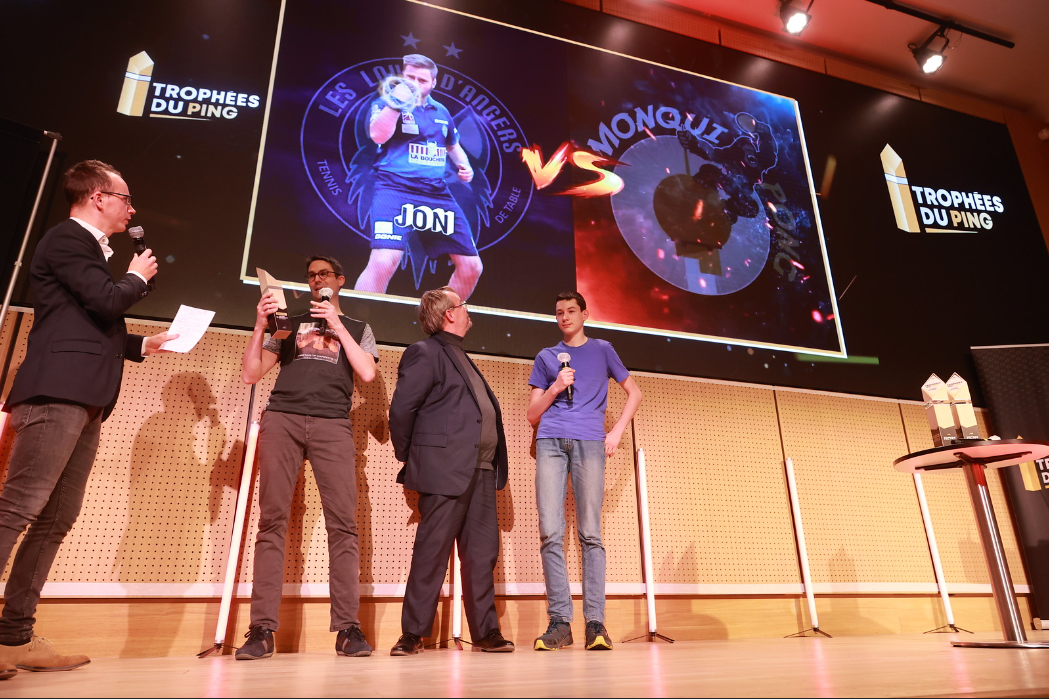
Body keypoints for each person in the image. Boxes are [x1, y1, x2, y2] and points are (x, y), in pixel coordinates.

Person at [0, 160, 173, 677]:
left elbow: (82, 320)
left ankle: (14, 637)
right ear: (98, 197)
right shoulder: (68, 239)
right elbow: (104, 300)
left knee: (57, 516)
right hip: (57, 392)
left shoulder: (88, 248)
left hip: (84, 397)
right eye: (125, 198)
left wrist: (142, 345)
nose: (131, 209)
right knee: (18, 507)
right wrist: (137, 277)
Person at [235, 255, 379, 660]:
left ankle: (347, 628)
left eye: (324, 274)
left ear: (340, 280)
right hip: (283, 418)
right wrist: (260, 325)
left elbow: (367, 374)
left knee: (343, 525)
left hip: (333, 423)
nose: (317, 280)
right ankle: (262, 629)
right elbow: (251, 373)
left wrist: (336, 324)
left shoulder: (358, 328)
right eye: (312, 276)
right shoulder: (289, 322)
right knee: (272, 522)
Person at [387, 286, 513, 654]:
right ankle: (413, 633)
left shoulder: (460, 355)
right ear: (449, 314)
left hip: (482, 470)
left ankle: (486, 632)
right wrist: (413, 457)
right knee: (431, 553)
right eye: (463, 304)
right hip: (444, 470)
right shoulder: (425, 352)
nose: (468, 310)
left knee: (481, 556)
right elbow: (402, 410)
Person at [526, 291, 642, 651]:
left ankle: (595, 623)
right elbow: (532, 414)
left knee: (590, 533)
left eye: (571, 311)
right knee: (551, 532)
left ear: (584, 314)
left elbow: (634, 393)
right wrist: (556, 387)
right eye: (559, 312)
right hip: (550, 440)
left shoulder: (603, 350)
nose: (564, 317)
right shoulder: (547, 357)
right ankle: (560, 623)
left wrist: (616, 431)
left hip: (590, 442)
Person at [354, 53, 483, 301]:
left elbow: (452, 144)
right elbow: (378, 136)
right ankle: (357, 322)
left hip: (436, 194)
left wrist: (465, 166)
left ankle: (442, 319)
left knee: (471, 267)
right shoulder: (385, 103)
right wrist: (395, 104)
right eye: (410, 77)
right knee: (384, 261)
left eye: (422, 80)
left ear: (433, 83)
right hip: (394, 188)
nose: (414, 83)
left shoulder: (441, 111)